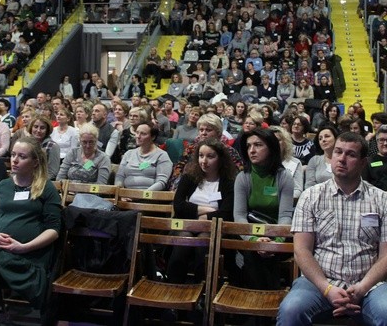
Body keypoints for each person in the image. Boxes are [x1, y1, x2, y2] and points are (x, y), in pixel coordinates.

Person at [276, 131, 387, 326]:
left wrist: (362, 288)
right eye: (338, 152)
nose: (342, 159)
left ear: (363, 163)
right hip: (318, 283)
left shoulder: (382, 200)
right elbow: (301, 250)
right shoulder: (311, 196)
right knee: (290, 311)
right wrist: (327, 289)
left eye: (351, 154)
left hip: (370, 285)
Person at [0, 137, 61, 326]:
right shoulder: (2, 186)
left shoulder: (46, 188)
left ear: (35, 162)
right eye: (12, 155)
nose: (14, 160)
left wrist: (24, 247)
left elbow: (54, 230)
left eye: (22, 156)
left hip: (29, 258)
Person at [167, 138, 236, 284]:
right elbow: (178, 206)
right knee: (184, 238)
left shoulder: (228, 182)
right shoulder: (189, 177)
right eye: (201, 156)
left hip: (214, 229)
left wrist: (203, 218)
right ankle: (173, 286)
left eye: (210, 156)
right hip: (186, 226)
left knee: (203, 240)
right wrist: (207, 210)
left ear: (220, 159)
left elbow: (227, 213)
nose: (204, 161)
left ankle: (203, 288)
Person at [234, 128, 294, 289]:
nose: (252, 150)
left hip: (278, 235)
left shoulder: (284, 176)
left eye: (258, 145)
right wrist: (254, 240)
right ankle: (258, 304)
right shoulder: (243, 177)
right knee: (254, 254)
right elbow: (239, 216)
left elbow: (286, 215)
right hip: (250, 234)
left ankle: (266, 302)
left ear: (271, 148)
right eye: (248, 146)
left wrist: (276, 241)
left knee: (266, 256)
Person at [115, 123, 172, 190]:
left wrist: (141, 195)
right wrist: (120, 193)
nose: (138, 136)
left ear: (153, 137)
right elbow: (120, 176)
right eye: (137, 132)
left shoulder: (162, 155)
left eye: (143, 134)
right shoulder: (128, 154)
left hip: (148, 197)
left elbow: (161, 182)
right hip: (125, 196)